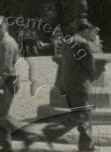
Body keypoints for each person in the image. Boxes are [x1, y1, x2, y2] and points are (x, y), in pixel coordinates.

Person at [42, 21, 101, 152]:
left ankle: (87, 146)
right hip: (80, 84)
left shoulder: (67, 42)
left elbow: (63, 63)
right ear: (85, 30)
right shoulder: (83, 43)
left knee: (83, 114)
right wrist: (93, 77)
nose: (92, 34)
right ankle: (51, 132)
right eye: (91, 31)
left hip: (69, 84)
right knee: (81, 115)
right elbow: (89, 65)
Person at [0, 17, 35, 152]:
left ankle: (27, 135)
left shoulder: (7, 43)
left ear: (5, 27)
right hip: (5, 81)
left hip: (8, 81)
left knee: (2, 115)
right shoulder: (4, 41)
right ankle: (6, 146)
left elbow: (6, 68)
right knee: (1, 114)